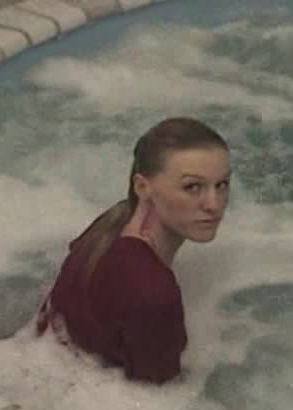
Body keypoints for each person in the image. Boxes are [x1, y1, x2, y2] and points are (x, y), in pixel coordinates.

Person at [35, 117, 231, 385]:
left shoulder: (115, 220)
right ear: (142, 187)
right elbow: (156, 395)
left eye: (222, 184)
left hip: (44, 362)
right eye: (192, 187)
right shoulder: (153, 292)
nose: (214, 204)